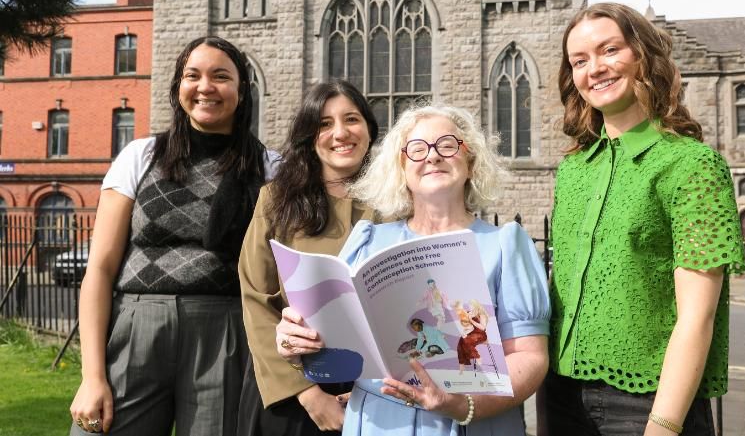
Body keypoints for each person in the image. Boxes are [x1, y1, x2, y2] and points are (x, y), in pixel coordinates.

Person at [276, 104, 551, 436]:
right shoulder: (368, 242)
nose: (432, 157)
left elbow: (530, 358)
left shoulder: (506, 245)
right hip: (378, 422)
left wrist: (463, 405)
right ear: (401, 169)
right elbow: (335, 354)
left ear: (471, 161)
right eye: (417, 150)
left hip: (474, 424)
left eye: (447, 145)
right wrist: (295, 345)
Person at [543, 3, 745, 436]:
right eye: (579, 61)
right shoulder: (574, 170)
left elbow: (697, 316)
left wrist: (663, 425)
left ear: (642, 54)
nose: (594, 68)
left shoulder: (692, 165)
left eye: (609, 50)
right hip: (559, 394)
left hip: (647, 405)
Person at [69, 36, 280, 435]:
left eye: (221, 76)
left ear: (242, 90)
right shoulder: (140, 156)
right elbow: (99, 268)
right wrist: (92, 375)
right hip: (136, 326)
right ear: (178, 87)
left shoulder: (269, 167)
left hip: (226, 331)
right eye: (192, 75)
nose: (205, 87)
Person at [237, 80, 379, 436]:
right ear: (308, 135)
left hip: (379, 393)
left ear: (369, 129)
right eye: (325, 124)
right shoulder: (276, 201)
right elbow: (256, 301)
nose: (340, 133)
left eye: (351, 119)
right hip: (293, 393)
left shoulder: (398, 204)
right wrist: (308, 394)